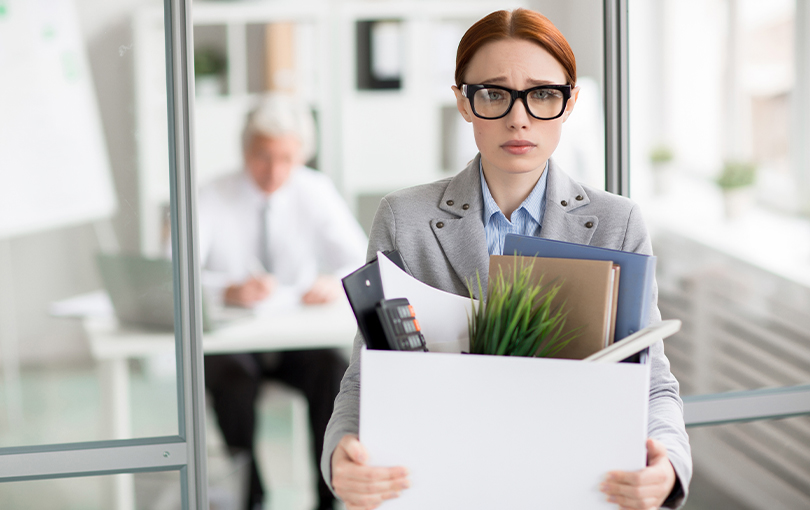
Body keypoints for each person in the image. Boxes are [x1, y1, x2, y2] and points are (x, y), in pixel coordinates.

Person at [321, 9, 692, 510]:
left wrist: (668, 463)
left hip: (576, 484)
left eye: (542, 94)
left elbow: (652, 380)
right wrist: (338, 456)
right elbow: (368, 374)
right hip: (442, 482)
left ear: (570, 102)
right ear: (463, 102)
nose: (519, 118)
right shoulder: (402, 218)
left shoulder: (617, 223)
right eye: (494, 93)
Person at [198, 94, 368, 510]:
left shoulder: (315, 190)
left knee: (332, 371)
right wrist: (227, 289)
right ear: (244, 150)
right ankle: (251, 496)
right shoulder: (209, 194)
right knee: (231, 379)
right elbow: (173, 273)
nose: (274, 171)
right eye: (262, 156)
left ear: (302, 156)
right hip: (236, 340)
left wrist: (333, 280)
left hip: (295, 337)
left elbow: (360, 259)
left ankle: (328, 494)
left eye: (286, 159)